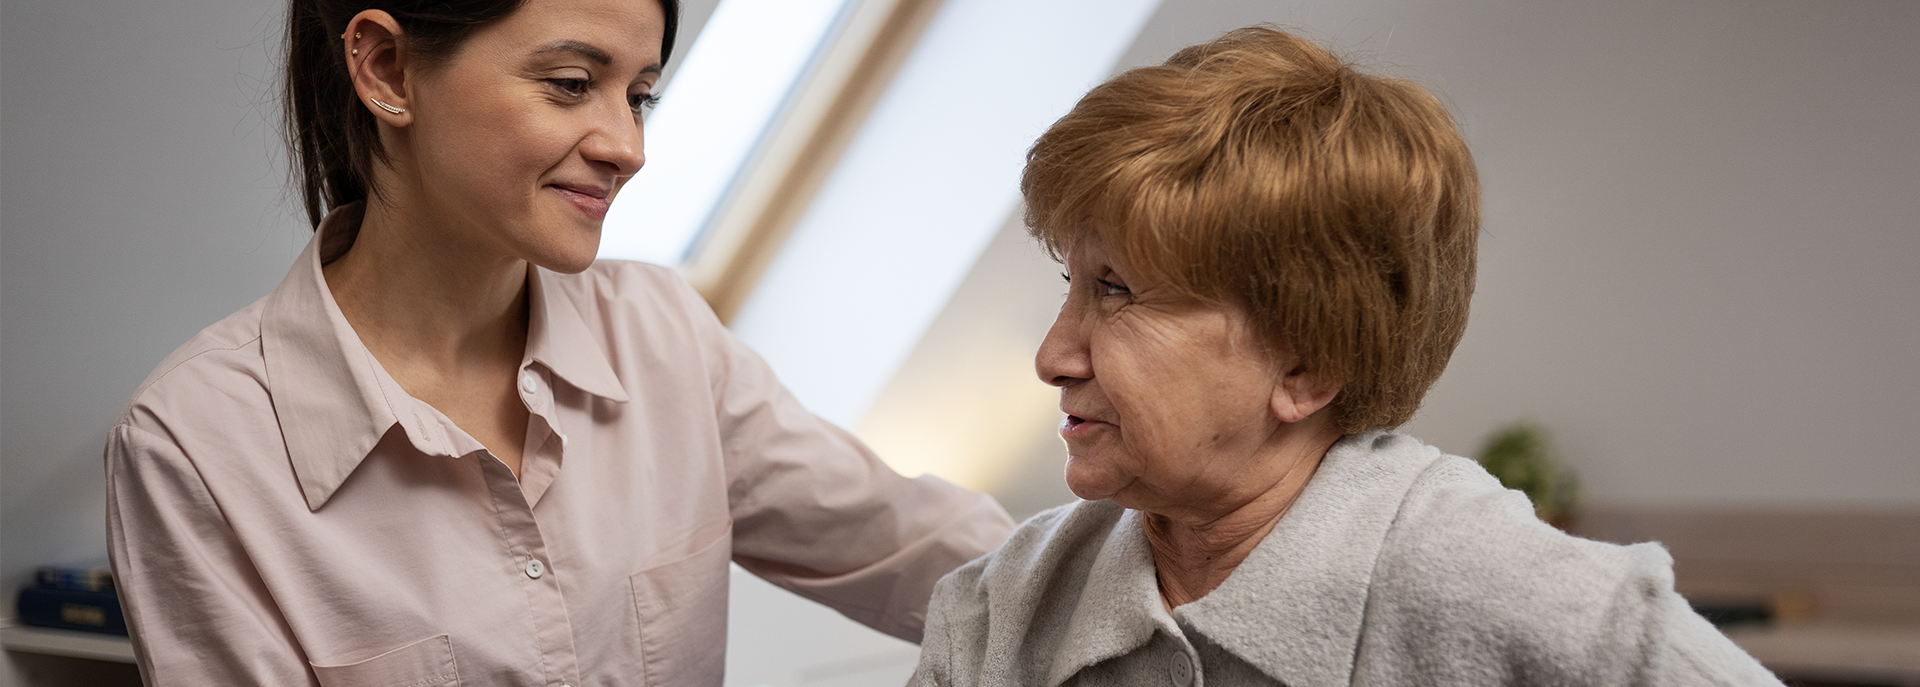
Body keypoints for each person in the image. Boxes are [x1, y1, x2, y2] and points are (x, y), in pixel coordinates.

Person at [103, 0, 1014, 683]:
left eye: (641, 96)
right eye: (572, 84)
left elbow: (932, 552)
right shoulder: (196, 445)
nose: (627, 145)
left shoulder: (662, 337)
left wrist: (1152, 545)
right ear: (385, 70)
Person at [912, 26, 1781, 686]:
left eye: (1118, 290)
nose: (1053, 355)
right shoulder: (998, 610)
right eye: (1071, 279)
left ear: (1306, 368)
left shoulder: (1487, 580)